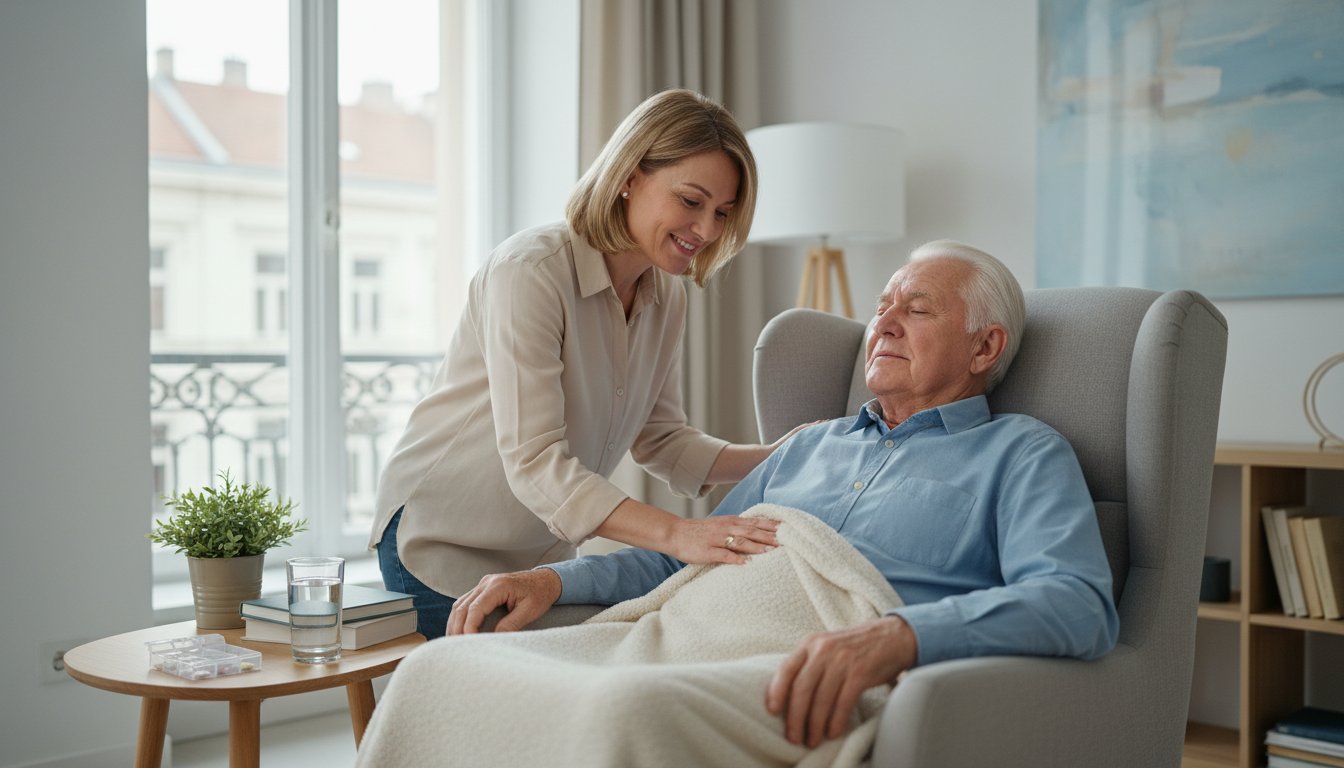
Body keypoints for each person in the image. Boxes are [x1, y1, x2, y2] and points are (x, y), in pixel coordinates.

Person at [446, 239, 1120, 749]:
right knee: (449, 672)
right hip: (684, 634)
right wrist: (551, 582)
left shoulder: (1023, 453)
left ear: (985, 348)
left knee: (627, 712)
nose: (882, 324)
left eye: (916, 310)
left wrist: (897, 637)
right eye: (882, 306)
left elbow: (1077, 603)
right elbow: (685, 558)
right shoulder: (807, 445)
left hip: (804, 661)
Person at [369, 89, 805, 640]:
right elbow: (534, 460)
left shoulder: (666, 295)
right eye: (691, 202)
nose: (709, 230)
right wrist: (677, 534)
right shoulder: (530, 272)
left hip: (532, 558)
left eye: (722, 212)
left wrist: (780, 457)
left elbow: (663, 440)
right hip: (440, 543)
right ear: (629, 175)